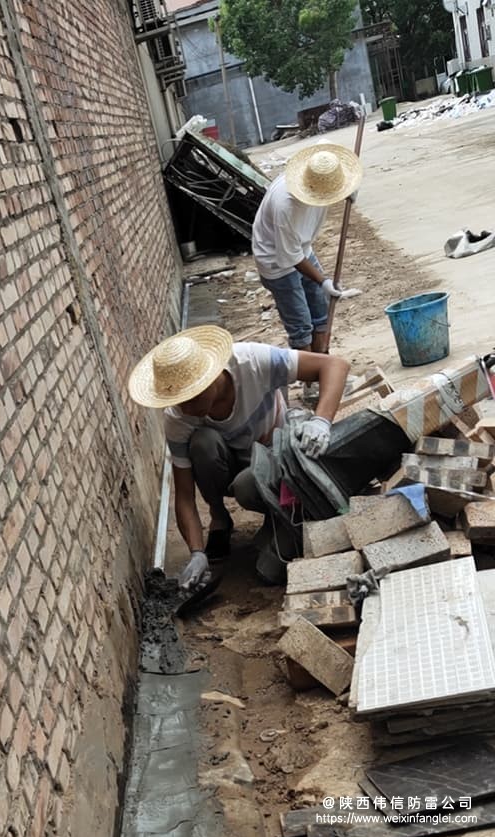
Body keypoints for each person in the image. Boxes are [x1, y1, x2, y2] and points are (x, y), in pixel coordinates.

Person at [127, 325, 349, 590]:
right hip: (231, 461)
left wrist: (321, 421)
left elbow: (335, 365)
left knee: (249, 485)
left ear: (209, 379)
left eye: (189, 399)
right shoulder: (179, 417)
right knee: (203, 444)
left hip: (274, 455)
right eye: (177, 401)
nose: (184, 408)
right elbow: (184, 495)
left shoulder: (253, 362)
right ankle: (220, 517)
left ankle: (277, 513)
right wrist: (197, 553)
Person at [252, 143, 363, 355]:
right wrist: (323, 280)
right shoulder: (287, 205)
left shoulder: (319, 181)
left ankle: (324, 365)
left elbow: (298, 251)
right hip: (276, 261)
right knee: (301, 326)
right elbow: (291, 257)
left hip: (301, 249)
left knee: (321, 313)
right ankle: (310, 382)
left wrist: (346, 190)